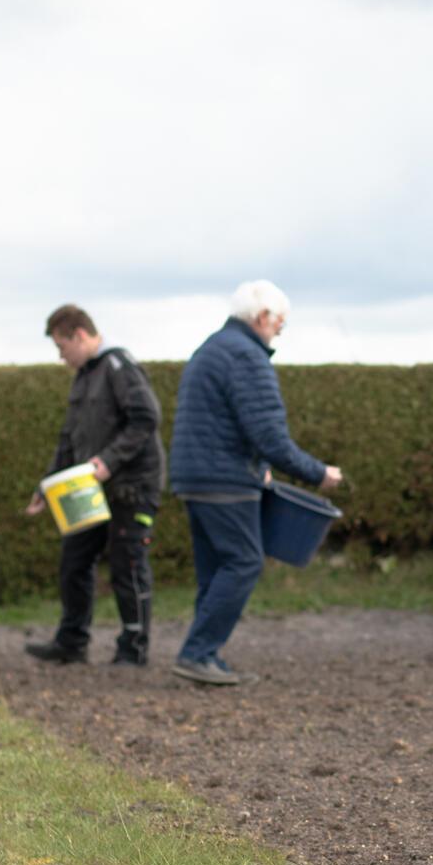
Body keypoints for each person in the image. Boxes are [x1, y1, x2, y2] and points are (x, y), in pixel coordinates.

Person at [166, 280, 340, 686]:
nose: (280, 330)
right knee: (244, 562)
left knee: (215, 570)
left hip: (195, 477)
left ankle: (203, 654)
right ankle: (196, 653)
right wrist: (318, 472)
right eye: (281, 321)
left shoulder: (211, 348)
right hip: (226, 480)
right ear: (262, 317)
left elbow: (224, 422)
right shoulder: (247, 356)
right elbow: (270, 435)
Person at [24, 304, 165, 666]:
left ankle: (133, 648)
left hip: (132, 487)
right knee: (74, 561)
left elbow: (147, 418)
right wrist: (47, 485)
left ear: (80, 335)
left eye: (62, 347)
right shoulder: (85, 375)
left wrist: (109, 460)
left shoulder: (119, 367)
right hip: (89, 490)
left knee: (127, 565)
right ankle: (71, 642)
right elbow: (69, 438)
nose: (61, 357)